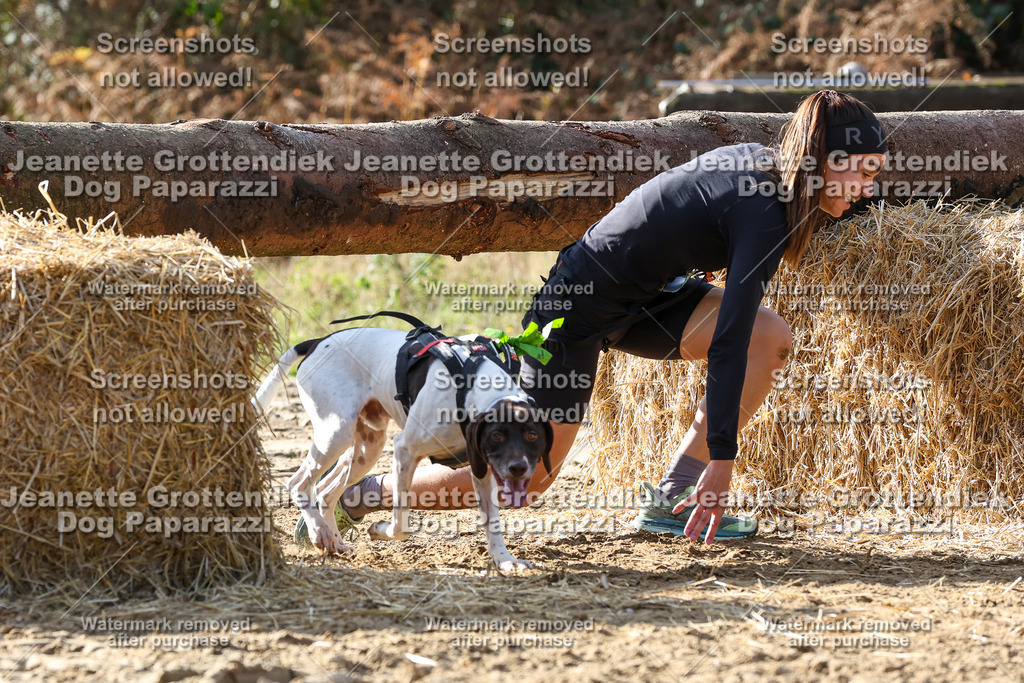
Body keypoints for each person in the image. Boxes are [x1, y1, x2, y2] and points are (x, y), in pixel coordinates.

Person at [334, 89, 887, 544]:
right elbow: (726, 343)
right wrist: (723, 461)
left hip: (648, 298)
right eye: (861, 173)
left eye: (875, 177)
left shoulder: (775, 174)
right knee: (529, 482)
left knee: (771, 338)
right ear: (822, 161)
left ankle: (671, 498)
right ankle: (365, 495)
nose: (867, 191)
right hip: (577, 304)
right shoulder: (766, 210)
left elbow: (743, 336)